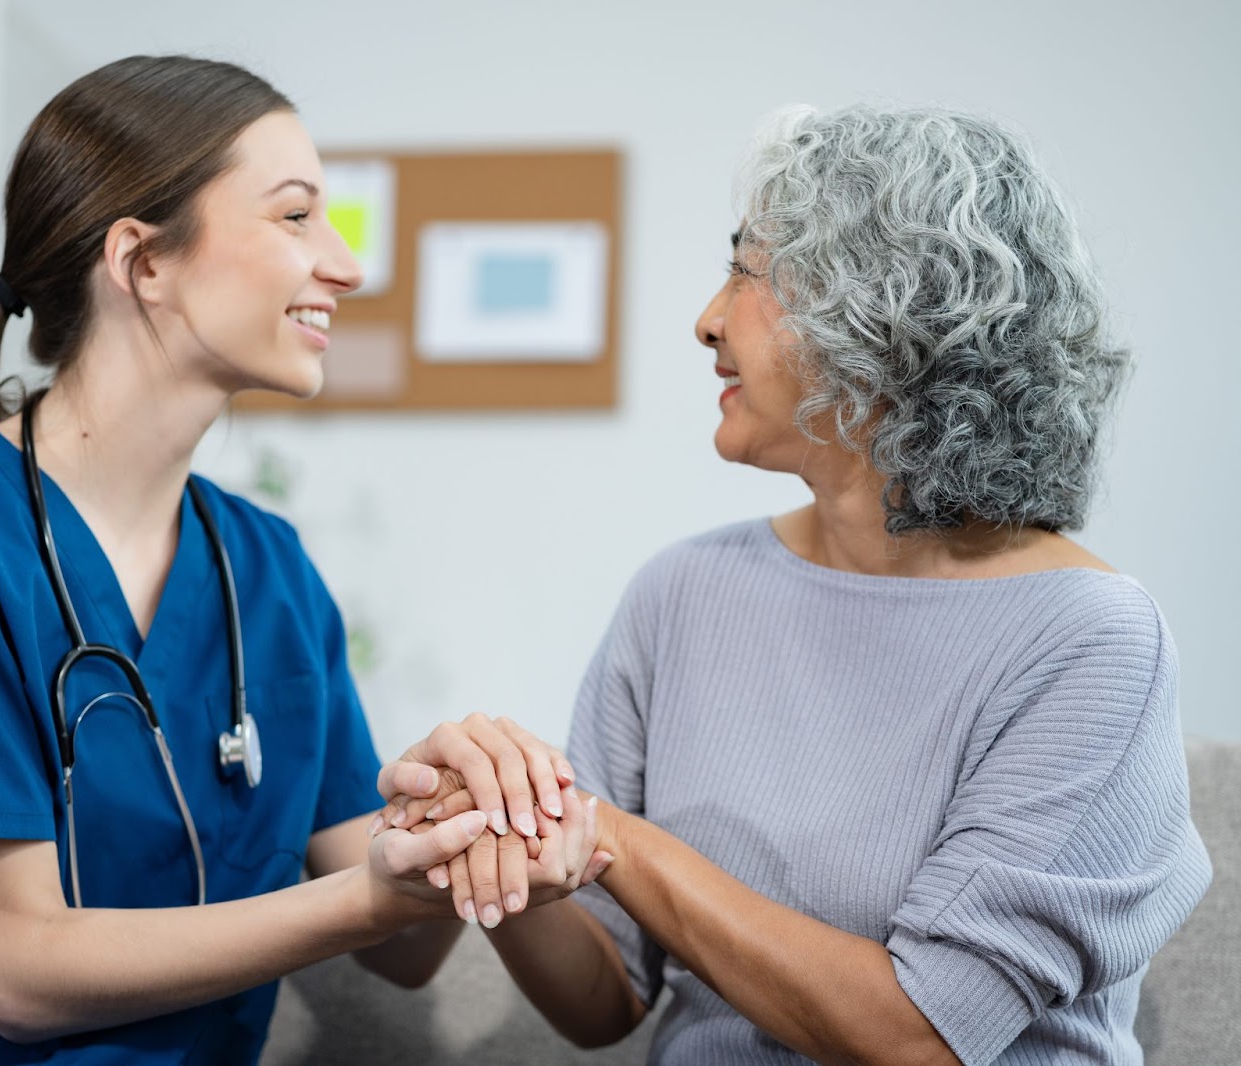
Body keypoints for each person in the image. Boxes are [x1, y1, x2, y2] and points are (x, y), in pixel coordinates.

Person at [0, 55, 599, 1065]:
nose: (345, 263)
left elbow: (408, 952)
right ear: (142, 262)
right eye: (295, 217)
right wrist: (362, 896)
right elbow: (17, 970)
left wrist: (455, 825)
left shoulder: (266, 571)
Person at [379, 105, 1213, 1064]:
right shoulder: (681, 593)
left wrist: (616, 839)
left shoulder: (1090, 642)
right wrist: (500, 835)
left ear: (885, 314)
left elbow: (923, 1038)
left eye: (746, 271)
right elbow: (603, 1003)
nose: (705, 319)